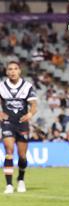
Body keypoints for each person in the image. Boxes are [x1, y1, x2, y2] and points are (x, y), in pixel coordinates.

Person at [1, 61, 37, 194]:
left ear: (20, 71)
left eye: (15, 69)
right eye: (10, 69)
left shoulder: (27, 86)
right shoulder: (1, 86)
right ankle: (9, 185)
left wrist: (30, 114)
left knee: (22, 156)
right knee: (9, 151)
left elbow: (33, 104)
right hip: (7, 123)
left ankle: (21, 179)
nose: (12, 71)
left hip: (22, 123)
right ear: (6, 72)